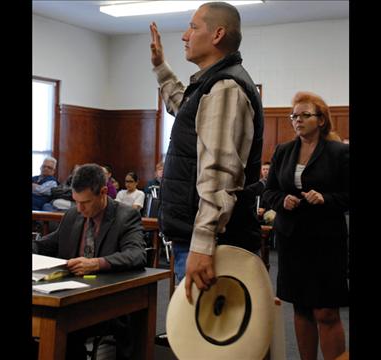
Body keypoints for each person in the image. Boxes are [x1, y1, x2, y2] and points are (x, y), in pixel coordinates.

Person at [149, 1, 264, 302]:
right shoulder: (214, 85)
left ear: (217, 35)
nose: (185, 35)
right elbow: (182, 107)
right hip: (203, 239)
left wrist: (203, 242)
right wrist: (161, 66)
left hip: (213, 244)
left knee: (209, 343)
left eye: (193, 27)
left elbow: (220, 173)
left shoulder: (225, 87)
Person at [261, 91, 349, 360]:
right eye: (294, 116)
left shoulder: (339, 152)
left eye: (305, 115)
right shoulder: (283, 151)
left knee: (325, 311)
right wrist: (281, 199)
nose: (298, 120)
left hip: (326, 240)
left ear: (321, 119)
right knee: (300, 308)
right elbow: (268, 191)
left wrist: (326, 198)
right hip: (292, 239)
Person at [32, 163, 147, 360]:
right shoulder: (73, 214)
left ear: (103, 192)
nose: (79, 208)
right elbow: (45, 245)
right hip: (68, 296)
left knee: (62, 331)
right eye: (75, 201)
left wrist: (97, 263)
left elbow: (137, 254)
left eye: (84, 202)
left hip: (105, 301)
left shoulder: (126, 216)